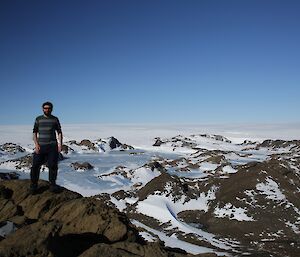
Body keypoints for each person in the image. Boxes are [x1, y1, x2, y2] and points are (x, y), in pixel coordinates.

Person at [30, 101, 63, 193]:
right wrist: (36, 145)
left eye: (48, 108)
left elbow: (59, 132)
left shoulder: (55, 119)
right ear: (42, 109)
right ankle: (33, 185)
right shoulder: (38, 119)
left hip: (52, 146)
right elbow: (34, 132)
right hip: (41, 146)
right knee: (35, 166)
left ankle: (52, 184)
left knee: (53, 166)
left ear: (51, 109)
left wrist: (60, 144)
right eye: (45, 108)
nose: (47, 110)